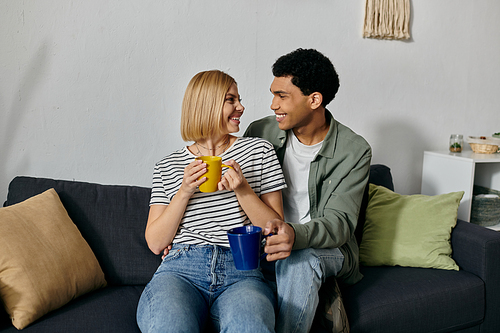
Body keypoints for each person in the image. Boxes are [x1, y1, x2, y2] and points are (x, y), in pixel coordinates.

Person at [136, 70, 286, 333]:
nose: (241, 107)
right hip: (181, 269)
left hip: (242, 272)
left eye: (239, 99)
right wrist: (184, 191)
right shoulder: (167, 166)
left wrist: (242, 190)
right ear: (207, 104)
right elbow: (156, 242)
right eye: (231, 100)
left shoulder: (259, 151)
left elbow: (275, 227)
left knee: (251, 328)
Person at [244, 48, 372, 333]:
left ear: (314, 99)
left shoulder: (354, 150)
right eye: (273, 94)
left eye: (282, 96)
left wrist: (294, 234)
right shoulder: (260, 132)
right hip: (269, 240)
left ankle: (320, 284)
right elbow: (236, 193)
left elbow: (340, 224)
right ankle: (319, 294)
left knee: (300, 260)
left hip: (325, 248)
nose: (273, 104)